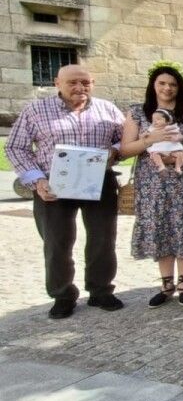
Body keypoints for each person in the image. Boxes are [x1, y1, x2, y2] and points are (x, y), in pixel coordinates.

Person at [8, 64, 126, 319]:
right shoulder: (36, 110)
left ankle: (100, 290)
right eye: (72, 82)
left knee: (103, 238)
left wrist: (115, 150)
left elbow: (125, 138)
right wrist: (37, 181)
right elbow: (15, 147)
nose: (79, 88)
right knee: (57, 242)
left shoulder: (107, 109)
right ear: (57, 83)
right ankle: (63, 295)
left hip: (99, 180)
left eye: (85, 82)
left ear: (93, 83)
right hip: (53, 183)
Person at [121, 65, 183, 307]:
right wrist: (149, 140)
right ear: (153, 85)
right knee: (161, 225)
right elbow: (124, 150)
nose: (167, 88)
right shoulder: (138, 113)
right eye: (162, 83)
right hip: (154, 182)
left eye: (173, 84)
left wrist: (181, 157)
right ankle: (166, 283)